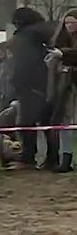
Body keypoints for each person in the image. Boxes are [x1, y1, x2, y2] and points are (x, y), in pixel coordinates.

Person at [10, 7, 58, 170]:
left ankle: (28, 158)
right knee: (47, 123)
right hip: (45, 83)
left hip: (29, 84)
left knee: (26, 123)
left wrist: (17, 82)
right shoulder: (43, 34)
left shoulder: (25, 37)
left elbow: (23, 63)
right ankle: (52, 158)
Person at [48, 10, 77, 172]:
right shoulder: (61, 38)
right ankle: (66, 158)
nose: (69, 26)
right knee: (65, 122)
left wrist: (64, 54)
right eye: (67, 23)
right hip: (65, 85)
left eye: (73, 22)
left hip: (73, 82)